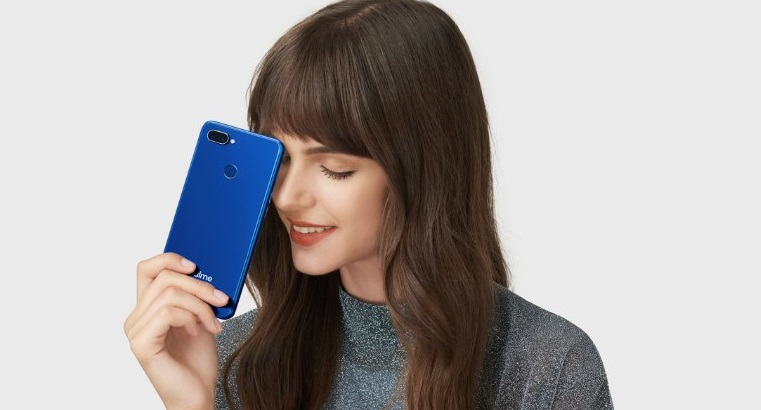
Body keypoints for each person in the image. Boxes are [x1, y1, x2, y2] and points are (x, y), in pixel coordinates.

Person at [124, 0, 614, 408]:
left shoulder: (547, 368)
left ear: (423, 170)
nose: (287, 197)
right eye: (281, 159)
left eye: (334, 168)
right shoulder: (233, 360)